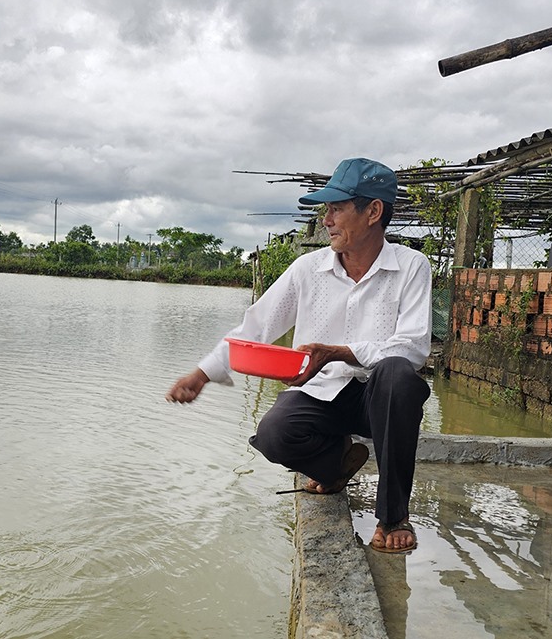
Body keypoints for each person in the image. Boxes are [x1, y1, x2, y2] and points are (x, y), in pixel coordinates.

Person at [166, 157, 432, 554]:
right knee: (274, 435)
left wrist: (339, 352)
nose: (326, 219)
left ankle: (392, 516)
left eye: (337, 208)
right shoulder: (307, 269)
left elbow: (412, 348)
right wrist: (202, 374)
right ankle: (336, 464)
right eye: (326, 209)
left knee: (397, 374)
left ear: (373, 211)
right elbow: (254, 329)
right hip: (320, 392)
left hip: (379, 399)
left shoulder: (411, 266)